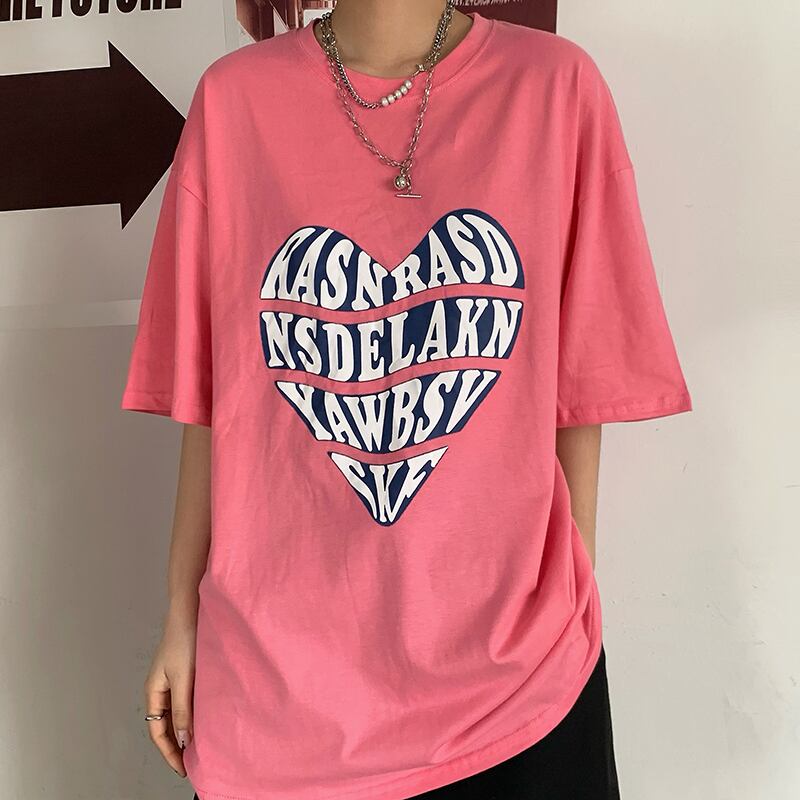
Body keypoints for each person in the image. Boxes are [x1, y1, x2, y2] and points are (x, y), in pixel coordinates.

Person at [121, 1, 693, 798]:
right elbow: (219, 404)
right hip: (280, 699)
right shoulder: (233, 102)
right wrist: (181, 616)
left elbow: (579, 394)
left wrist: (570, 600)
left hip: (517, 686)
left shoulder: (555, 89)